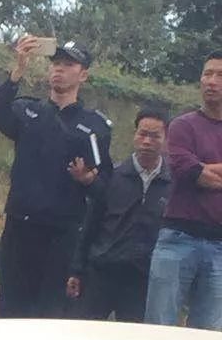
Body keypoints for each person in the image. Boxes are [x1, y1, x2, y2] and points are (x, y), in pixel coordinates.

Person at [0, 37, 112, 319]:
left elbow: (105, 187)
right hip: (20, 225)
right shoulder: (28, 111)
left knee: (49, 314)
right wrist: (17, 71)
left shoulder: (94, 127)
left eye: (68, 64)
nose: (59, 70)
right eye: (55, 63)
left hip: (61, 234)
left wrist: (87, 180)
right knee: (10, 310)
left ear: (83, 74)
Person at [67, 109, 171, 323]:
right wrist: (77, 270)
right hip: (102, 272)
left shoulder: (173, 184)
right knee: (85, 335)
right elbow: (90, 225)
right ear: (134, 135)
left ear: (166, 139)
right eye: (142, 134)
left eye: (154, 136)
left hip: (142, 279)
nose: (147, 141)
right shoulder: (112, 176)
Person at [144, 53, 222, 331]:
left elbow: (199, 171)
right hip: (178, 238)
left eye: (220, 75)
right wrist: (199, 171)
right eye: (207, 73)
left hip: (220, 246)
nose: (211, 81)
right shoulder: (183, 125)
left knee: (209, 339)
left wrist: (203, 168)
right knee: (159, 329)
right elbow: (188, 172)